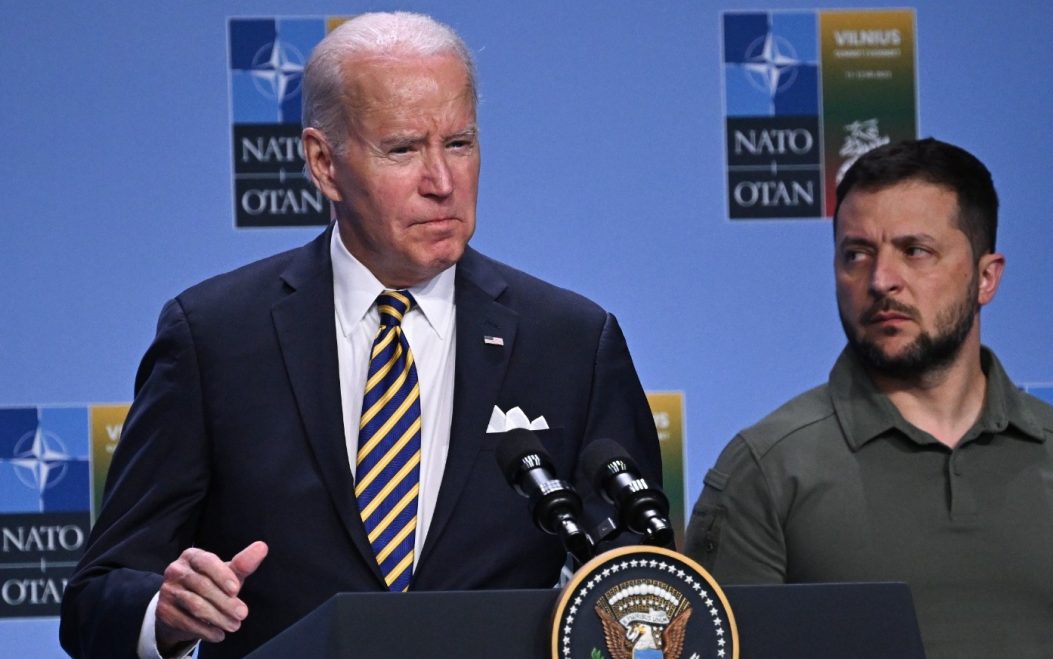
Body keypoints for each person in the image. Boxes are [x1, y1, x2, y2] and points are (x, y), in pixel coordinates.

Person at [60, 12, 660, 658]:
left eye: (459, 143)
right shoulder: (215, 340)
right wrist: (167, 613)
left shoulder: (571, 343)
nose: (442, 181)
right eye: (403, 149)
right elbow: (96, 596)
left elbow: (644, 584)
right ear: (324, 163)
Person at [685, 138, 1053, 658]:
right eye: (856, 255)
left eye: (915, 252)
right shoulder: (766, 467)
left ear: (986, 277)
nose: (882, 280)